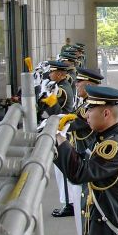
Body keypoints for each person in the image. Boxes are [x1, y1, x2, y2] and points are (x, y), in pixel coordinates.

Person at [55, 85, 118, 235]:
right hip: (101, 227)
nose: (86, 114)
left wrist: (59, 138)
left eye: (90, 109)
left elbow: (80, 173)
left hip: (107, 233)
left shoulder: (113, 147)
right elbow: (85, 161)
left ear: (106, 113)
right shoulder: (106, 137)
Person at [67, 67, 104, 235]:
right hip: (81, 156)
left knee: (85, 211)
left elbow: (73, 123)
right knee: (81, 211)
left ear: (89, 85)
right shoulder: (84, 103)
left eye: (79, 82)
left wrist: (52, 114)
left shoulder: (88, 107)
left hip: (86, 159)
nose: (76, 84)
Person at [38, 60, 75, 218]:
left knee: (63, 171)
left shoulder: (62, 90)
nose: (49, 74)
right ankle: (67, 201)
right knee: (61, 170)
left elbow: (58, 112)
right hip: (61, 130)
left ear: (60, 74)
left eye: (52, 72)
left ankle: (68, 203)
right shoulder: (59, 86)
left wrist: (51, 101)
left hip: (62, 132)